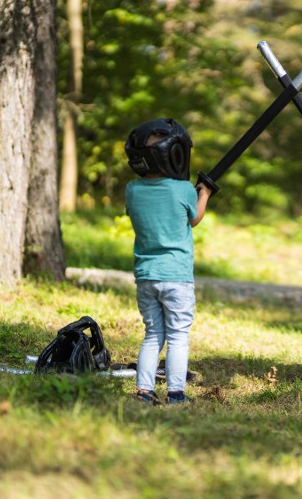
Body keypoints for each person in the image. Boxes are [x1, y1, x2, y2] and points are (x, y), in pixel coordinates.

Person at [124, 118, 212, 405]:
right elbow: (194, 218)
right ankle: (176, 393)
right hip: (177, 277)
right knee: (177, 336)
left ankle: (144, 391)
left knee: (152, 335)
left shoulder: (132, 190)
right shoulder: (183, 189)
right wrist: (205, 194)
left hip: (146, 276)